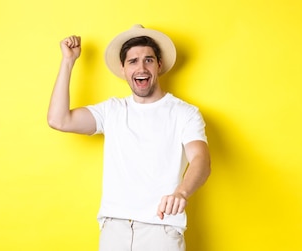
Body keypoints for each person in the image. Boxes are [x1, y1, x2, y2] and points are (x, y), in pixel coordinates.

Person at [47, 24, 211, 251]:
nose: (141, 67)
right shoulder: (112, 110)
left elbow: (201, 159)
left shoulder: (184, 113)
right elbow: (59, 120)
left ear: (159, 65)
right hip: (115, 230)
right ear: (123, 69)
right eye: (133, 61)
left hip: (161, 229)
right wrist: (68, 61)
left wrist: (181, 192)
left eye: (148, 60)